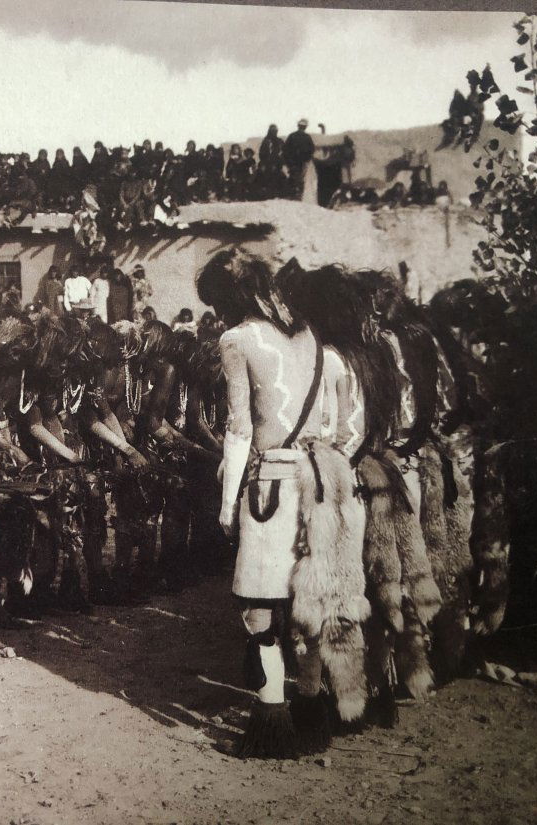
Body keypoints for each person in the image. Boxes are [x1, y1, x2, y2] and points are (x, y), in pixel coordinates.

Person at [196, 249, 369, 759]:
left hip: (270, 487)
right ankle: (313, 708)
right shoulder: (315, 340)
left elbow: (239, 428)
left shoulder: (237, 340)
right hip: (319, 483)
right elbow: (339, 430)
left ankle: (272, 714)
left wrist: (227, 505)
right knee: (309, 601)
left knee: (262, 608)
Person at [284, 118, 315, 200]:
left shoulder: (292, 136)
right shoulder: (306, 137)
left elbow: (285, 149)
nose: (302, 128)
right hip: (298, 162)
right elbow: (312, 149)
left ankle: (295, 195)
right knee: (298, 178)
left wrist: (288, 161)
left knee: (296, 178)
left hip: (296, 162)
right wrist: (306, 159)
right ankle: (296, 195)